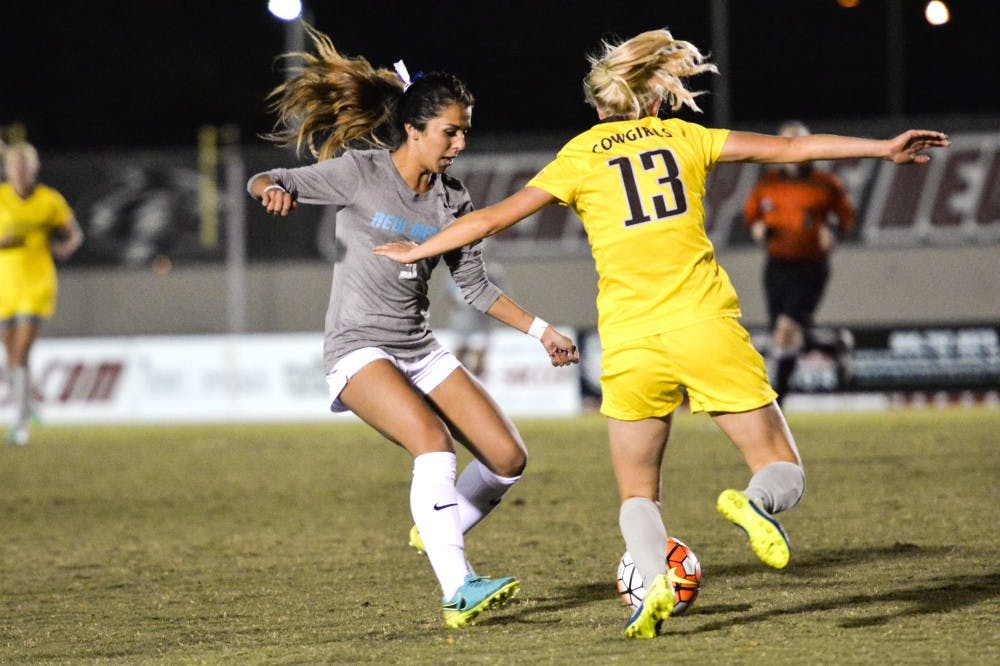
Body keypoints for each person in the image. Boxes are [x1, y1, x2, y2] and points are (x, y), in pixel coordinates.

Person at [372, 28, 949, 639]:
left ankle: (653, 585)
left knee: (637, 493)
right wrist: (884, 147)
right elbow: (784, 150)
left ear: (598, 110)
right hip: (703, 325)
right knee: (781, 465)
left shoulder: (580, 156)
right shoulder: (684, 136)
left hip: (628, 342)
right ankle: (755, 501)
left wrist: (420, 250)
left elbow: (489, 218)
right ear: (651, 100)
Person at [246, 25, 579, 629]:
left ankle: (438, 524)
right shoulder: (360, 173)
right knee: (432, 442)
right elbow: (268, 179)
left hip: (419, 349)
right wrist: (271, 190)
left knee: (508, 457)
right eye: (449, 132)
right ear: (413, 129)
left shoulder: (454, 200)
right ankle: (458, 588)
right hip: (357, 349)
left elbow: (474, 287)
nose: (458, 144)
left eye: (464, 134)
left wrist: (542, 330)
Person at [743, 120, 855, 406]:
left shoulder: (826, 184)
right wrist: (758, 229)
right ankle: (833, 343)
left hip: (810, 268)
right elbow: (751, 217)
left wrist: (833, 233)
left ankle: (776, 402)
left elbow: (845, 218)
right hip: (776, 266)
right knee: (783, 336)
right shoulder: (767, 183)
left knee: (786, 331)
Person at [0, 141, 84, 446]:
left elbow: (74, 233)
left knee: (21, 353)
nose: (20, 172)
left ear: (33, 169)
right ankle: (28, 405)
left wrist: (66, 247)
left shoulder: (49, 200)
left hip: (37, 285)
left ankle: (20, 425)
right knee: (11, 358)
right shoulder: (1, 199)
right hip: (4, 286)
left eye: (25, 166)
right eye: (15, 166)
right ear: (7, 169)